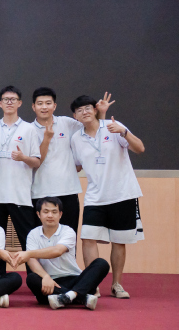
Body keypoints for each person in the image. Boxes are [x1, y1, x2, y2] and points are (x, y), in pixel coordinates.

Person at [70, 95, 145, 299]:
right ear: (75, 116)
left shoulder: (114, 127)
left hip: (122, 193)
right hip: (95, 197)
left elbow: (140, 148)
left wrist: (124, 132)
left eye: (87, 108)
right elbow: (76, 166)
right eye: (79, 110)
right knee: (87, 238)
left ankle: (117, 285)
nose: (84, 112)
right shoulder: (76, 138)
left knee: (119, 241)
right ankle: (92, 284)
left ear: (95, 110)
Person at [31, 88, 111, 232]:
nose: (44, 107)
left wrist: (101, 113)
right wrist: (46, 139)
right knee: (42, 237)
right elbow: (35, 162)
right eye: (40, 103)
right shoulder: (28, 129)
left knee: (68, 236)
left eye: (48, 103)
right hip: (40, 191)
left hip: (68, 190)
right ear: (33, 106)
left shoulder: (66, 123)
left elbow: (93, 128)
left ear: (54, 106)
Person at [14, 197, 109, 310]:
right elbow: (32, 261)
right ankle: (80, 297)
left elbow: (57, 251)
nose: (50, 215)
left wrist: (29, 253)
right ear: (38, 214)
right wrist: (45, 276)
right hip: (51, 282)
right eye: (46, 212)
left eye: (54, 212)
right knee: (32, 279)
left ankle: (67, 296)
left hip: (74, 279)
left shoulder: (68, 231)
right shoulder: (33, 234)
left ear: (60, 214)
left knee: (101, 263)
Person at [0, 86, 41, 274]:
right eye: (6, 99)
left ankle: (36, 278)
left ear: (20, 103)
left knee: (28, 240)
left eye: (13, 99)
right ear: (0, 103)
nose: (9, 102)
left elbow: (36, 161)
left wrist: (23, 157)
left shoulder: (29, 129)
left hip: (20, 195)